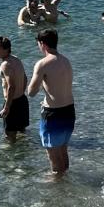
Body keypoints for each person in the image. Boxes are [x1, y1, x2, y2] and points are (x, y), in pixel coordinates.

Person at [26, 29, 74, 174]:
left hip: (53, 114)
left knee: (53, 154)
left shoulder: (42, 64)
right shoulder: (66, 60)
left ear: (43, 44)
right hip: (69, 111)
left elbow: (31, 92)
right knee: (63, 150)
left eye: (38, 44)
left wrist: (39, 82)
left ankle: (58, 189)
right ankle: (66, 180)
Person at [0, 36, 29, 143]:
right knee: (22, 132)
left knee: (10, 136)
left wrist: (7, 107)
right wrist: (21, 92)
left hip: (12, 103)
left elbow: (11, 86)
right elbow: (25, 78)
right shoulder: (16, 59)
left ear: (6, 49)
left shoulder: (5, 65)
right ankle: (25, 156)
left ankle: (12, 159)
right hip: (22, 100)